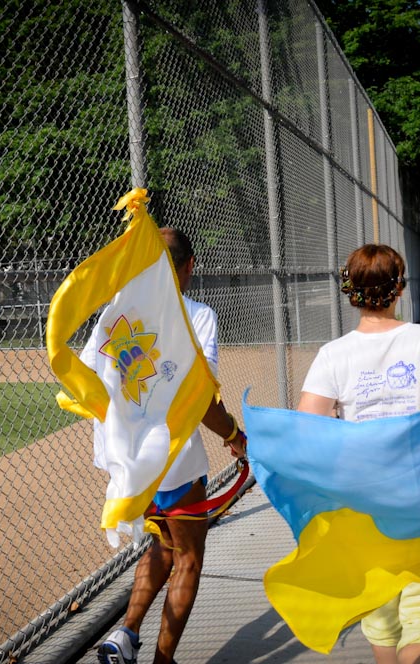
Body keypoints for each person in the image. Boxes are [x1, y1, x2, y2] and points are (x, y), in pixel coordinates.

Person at [85, 227, 247, 664]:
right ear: (189, 265)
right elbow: (200, 400)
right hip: (172, 456)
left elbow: (92, 380)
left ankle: (125, 635)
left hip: (127, 458)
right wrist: (235, 436)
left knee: (163, 541)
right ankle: (162, 660)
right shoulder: (196, 315)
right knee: (188, 557)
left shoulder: (118, 312)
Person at [296, 244, 420, 664]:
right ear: (400, 288)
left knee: (381, 612)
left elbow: (308, 426)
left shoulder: (333, 355)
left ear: (349, 292)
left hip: (365, 497)